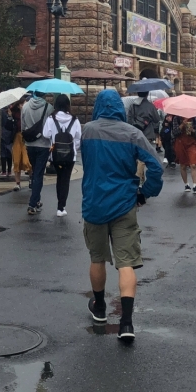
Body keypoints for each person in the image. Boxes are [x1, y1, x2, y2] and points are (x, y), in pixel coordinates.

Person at [81, 89, 163, 343]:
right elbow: (156, 166)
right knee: (125, 262)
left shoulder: (87, 131)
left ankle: (100, 309)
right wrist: (145, 192)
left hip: (94, 203)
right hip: (124, 204)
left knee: (97, 258)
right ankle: (126, 322)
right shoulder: (133, 134)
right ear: (120, 108)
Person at [42, 94, 82, 217]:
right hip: (70, 156)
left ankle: (59, 205)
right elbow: (78, 137)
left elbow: (45, 134)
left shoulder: (51, 118)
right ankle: (62, 206)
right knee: (66, 180)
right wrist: (72, 148)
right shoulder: (75, 119)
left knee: (59, 178)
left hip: (56, 155)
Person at [21, 92, 53, 216]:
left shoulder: (25, 106)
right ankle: (32, 204)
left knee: (35, 172)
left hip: (30, 144)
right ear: (44, 94)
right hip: (43, 144)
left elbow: (22, 126)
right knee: (38, 174)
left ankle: (37, 199)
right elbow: (50, 127)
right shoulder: (49, 108)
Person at [174, 118, 196, 194]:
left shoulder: (194, 118)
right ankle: (186, 184)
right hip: (180, 143)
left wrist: (192, 130)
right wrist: (182, 124)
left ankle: (195, 185)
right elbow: (175, 133)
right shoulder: (176, 118)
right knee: (183, 165)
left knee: (193, 164)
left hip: (192, 143)